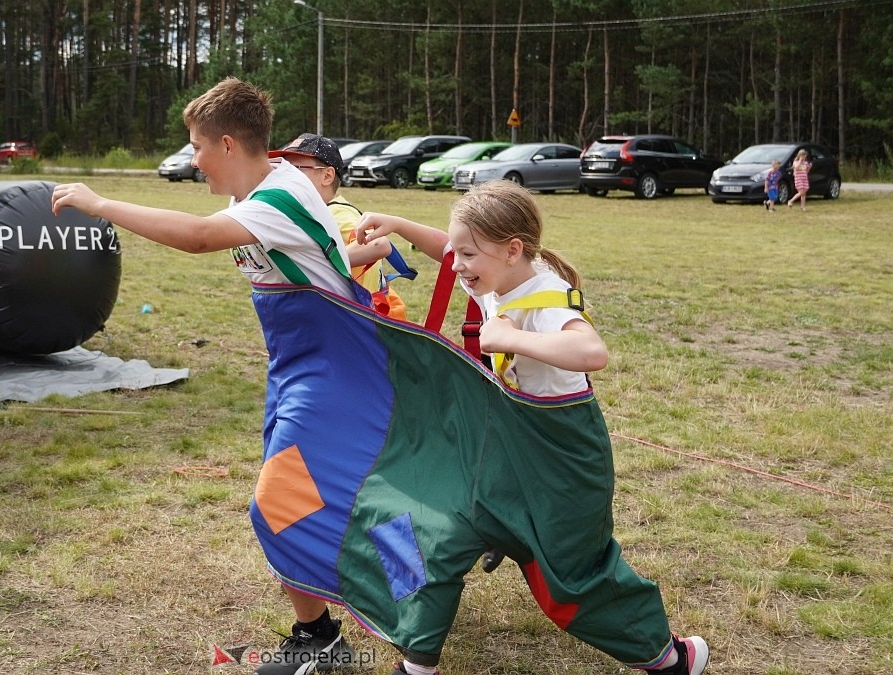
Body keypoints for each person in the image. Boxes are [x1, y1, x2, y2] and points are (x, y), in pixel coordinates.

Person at [52, 77, 363, 675]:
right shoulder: (259, 194)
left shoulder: (279, 198)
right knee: (296, 501)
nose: (192, 160)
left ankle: (328, 639)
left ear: (225, 144)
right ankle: (320, 636)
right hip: (298, 367)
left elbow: (196, 239)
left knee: (279, 503)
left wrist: (100, 203)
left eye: (195, 147)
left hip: (336, 372)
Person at [354, 180, 708, 675]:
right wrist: (400, 225)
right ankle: (417, 661)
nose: (456, 266)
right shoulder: (495, 273)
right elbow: (452, 249)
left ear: (513, 249)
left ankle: (671, 659)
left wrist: (511, 336)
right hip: (502, 444)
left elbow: (592, 352)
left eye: (468, 255)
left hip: (559, 456)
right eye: (457, 254)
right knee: (411, 524)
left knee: (572, 580)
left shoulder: (545, 297)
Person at [269, 133, 411, 320]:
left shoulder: (337, 214)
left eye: (296, 169)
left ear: (327, 176)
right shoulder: (317, 211)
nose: (285, 176)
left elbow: (379, 245)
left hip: (359, 321)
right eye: (283, 168)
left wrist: (313, 263)